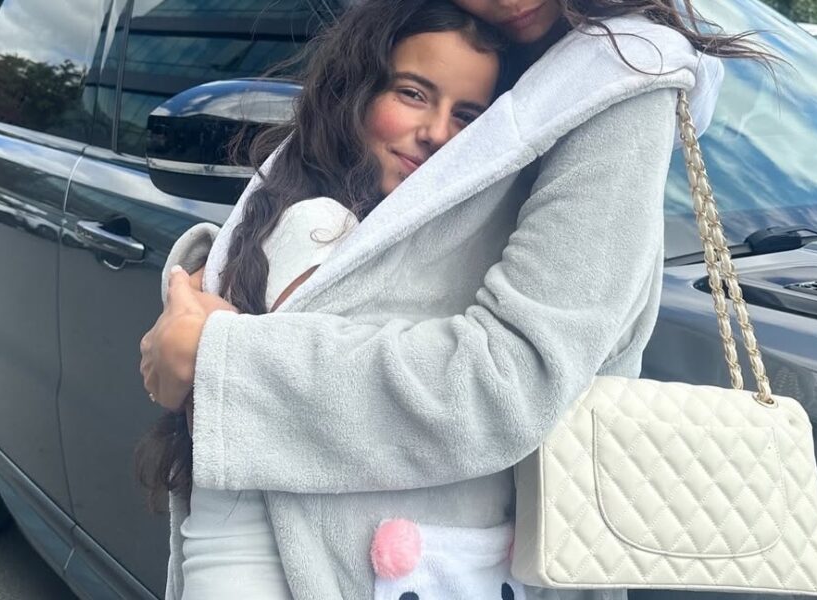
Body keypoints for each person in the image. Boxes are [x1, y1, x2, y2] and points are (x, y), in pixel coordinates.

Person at [141, 1, 772, 598]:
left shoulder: (620, 75)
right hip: (296, 532)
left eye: (465, 116)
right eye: (412, 94)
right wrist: (206, 295)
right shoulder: (440, 43)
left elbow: (507, 377)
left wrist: (220, 358)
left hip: (412, 552)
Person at [137, 1, 505, 598]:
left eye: (466, 115)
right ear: (355, 92)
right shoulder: (320, 227)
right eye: (413, 94)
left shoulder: (300, 208)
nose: (438, 132)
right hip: (263, 566)